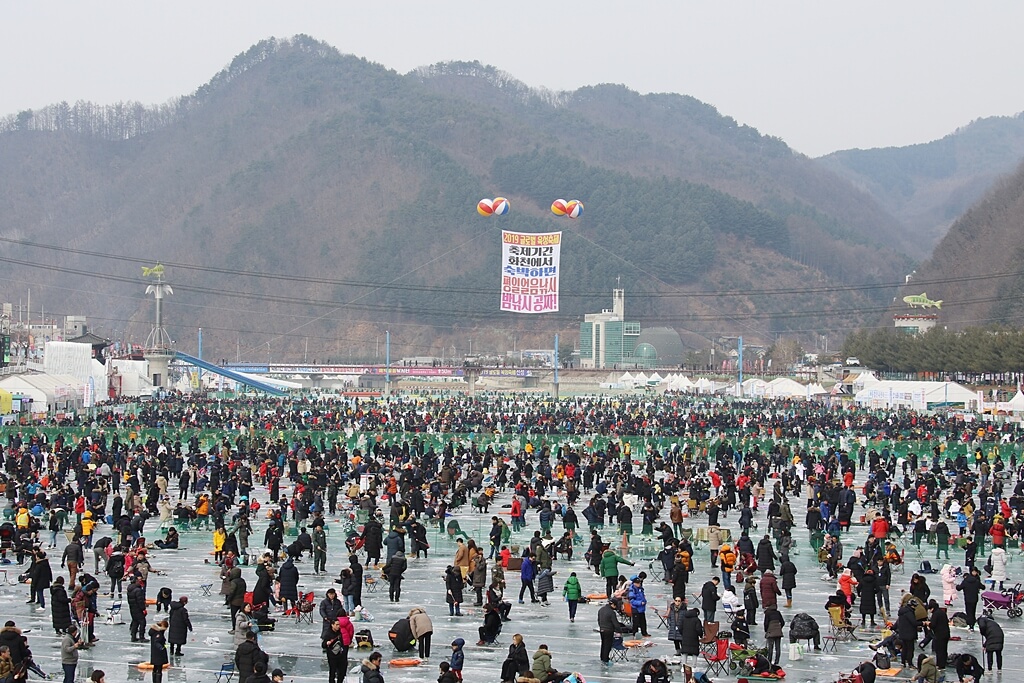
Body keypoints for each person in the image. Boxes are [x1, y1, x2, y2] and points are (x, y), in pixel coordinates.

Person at [957, 566, 983, 631]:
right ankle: (972, 624)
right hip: (974, 598)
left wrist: (957, 586)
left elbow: (959, 588)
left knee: (969, 611)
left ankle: (970, 625)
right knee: (973, 611)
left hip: (968, 598)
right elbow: (983, 587)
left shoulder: (965, 581)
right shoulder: (976, 581)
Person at [128, 576, 149, 643]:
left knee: (135, 622)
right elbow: (140, 601)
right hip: (138, 609)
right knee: (142, 622)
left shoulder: (130, 589)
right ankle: (141, 637)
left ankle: (133, 637)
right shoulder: (138, 590)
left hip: (132, 608)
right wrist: (143, 608)